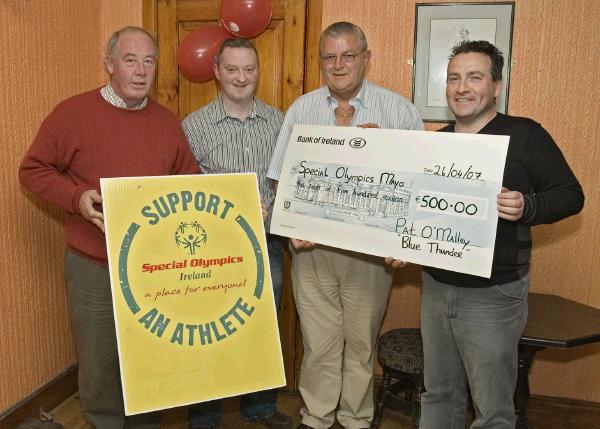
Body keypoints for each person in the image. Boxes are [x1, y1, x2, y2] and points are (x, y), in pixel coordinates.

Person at [389, 40, 584, 429]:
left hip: (494, 295)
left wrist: (527, 206)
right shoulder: (435, 143)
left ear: (496, 86)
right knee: (439, 393)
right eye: (454, 78)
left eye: (474, 77)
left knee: (492, 408)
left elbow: (570, 195)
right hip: (436, 286)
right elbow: (418, 211)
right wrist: (402, 246)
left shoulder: (525, 135)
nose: (462, 87)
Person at [18, 26, 200, 429]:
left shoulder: (167, 122)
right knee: (99, 362)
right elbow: (32, 170)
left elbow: (189, 182)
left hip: (153, 268)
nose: (140, 70)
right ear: (110, 64)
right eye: (130, 60)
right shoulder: (72, 114)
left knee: (150, 359)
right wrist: (76, 198)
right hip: (94, 264)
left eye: (148, 61)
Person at [267, 22, 423, 429]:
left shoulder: (399, 111)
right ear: (321, 62)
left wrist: (405, 242)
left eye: (348, 55)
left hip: (369, 256)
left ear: (366, 58)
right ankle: (316, 416)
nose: (338, 65)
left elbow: (420, 184)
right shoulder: (301, 110)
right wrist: (288, 227)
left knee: (359, 343)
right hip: (311, 252)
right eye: (329, 57)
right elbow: (281, 178)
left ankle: (356, 418)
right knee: (319, 345)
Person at [181, 38, 292, 429]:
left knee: (262, 330)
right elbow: (185, 191)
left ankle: (259, 406)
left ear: (258, 71)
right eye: (232, 69)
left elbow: (290, 186)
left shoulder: (281, 124)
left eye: (249, 69)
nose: (241, 78)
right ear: (216, 71)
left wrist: (275, 211)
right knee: (207, 331)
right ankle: (205, 413)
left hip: (266, 245)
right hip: (212, 251)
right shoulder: (193, 127)